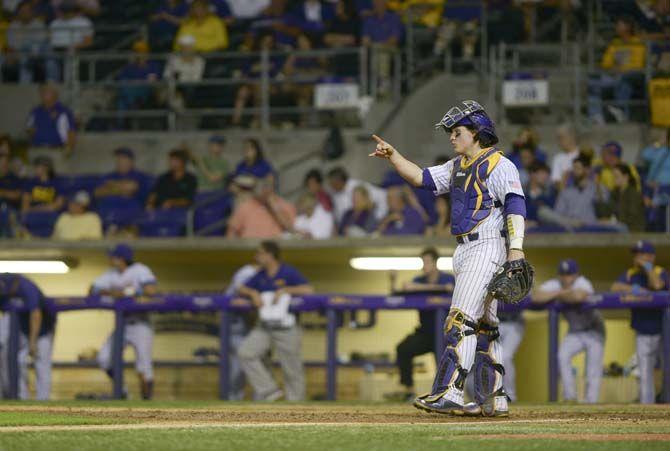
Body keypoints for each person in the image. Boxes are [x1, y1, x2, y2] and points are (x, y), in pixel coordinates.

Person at [369, 100, 528, 417]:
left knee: (460, 320)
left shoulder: (500, 164)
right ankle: (493, 397)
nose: (452, 138)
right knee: (485, 326)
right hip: (465, 249)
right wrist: (394, 156)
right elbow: (422, 178)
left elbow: (516, 206)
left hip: (487, 246)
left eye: (457, 132)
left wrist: (517, 249)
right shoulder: (457, 166)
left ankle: (451, 391)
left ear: (476, 132)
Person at [237, 240, 314, 401]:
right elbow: (241, 288)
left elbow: (308, 289)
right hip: (264, 327)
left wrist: (286, 290)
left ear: (270, 255)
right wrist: (253, 293)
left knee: (291, 367)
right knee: (245, 353)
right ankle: (268, 390)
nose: (256, 256)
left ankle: (296, 404)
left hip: (287, 327)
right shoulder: (260, 274)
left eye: (260, 253)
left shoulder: (288, 271)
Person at [91, 244, 158, 400]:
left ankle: (147, 403)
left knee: (144, 367)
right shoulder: (111, 274)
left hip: (141, 323)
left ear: (121, 259)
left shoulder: (140, 270)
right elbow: (92, 288)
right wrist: (114, 292)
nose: (110, 259)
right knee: (104, 358)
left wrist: (127, 292)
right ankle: (122, 391)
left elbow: (151, 290)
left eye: (113, 256)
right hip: (123, 323)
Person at [533, 259, 604, 404]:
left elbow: (578, 296)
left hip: (594, 329)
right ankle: (570, 397)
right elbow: (536, 297)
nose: (566, 278)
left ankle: (591, 402)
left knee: (592, 368)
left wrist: (556, 295)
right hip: (575, 331)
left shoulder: (583, 282)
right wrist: (562, 292)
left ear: (576, 274)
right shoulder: (556, 285)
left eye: (570, 275)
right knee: (562, 356)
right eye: (563, 275)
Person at [391, 247, 454, 401]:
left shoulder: (447, 278)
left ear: (435, 263)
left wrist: (421, 289)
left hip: (445, 333)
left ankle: (447, 395)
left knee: (446, 363)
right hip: (425, 332)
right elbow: (402, 291)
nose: (424, 265)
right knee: (403, 349)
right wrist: (392, 282)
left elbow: (450, 289)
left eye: (427, 262)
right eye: (423, 262)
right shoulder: (419, 280)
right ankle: (409, 389)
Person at [611, 240, 670, 404]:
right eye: (636, 254)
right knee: (644, 374)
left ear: (651, 256)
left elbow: (657, 285)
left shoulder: (660, 271)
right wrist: (636, 290)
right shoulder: (631, 274)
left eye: (641, 254)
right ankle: (647, 410)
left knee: (667, 371)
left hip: (663, 331)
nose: (637, 258)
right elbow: (615, 287)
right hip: (642, 330)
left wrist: (648, 267)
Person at [0, 274, 56, 400]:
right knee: (18, 361)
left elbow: (36, 315)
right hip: (22, 329)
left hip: (43, 329)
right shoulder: (3, 285)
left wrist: (33, 341)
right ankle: (22, 398)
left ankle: (43, 400)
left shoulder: (27, 286)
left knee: (42, 363)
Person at [588, 16, 646, 124]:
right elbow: (605, 63)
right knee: (592, 83)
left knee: (626, 80)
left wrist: (619, 68)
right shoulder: (615, 43)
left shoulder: (638, 43)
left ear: (628, 27)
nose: (616, 27)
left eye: (619, 25)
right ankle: (596, 115)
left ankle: (621, 110)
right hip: (613, 75)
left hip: (630, 76)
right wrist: (613, 68)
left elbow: (637, 65)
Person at [224, 262, 259, 401]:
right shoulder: (247, 272)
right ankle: (233, 399)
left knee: (254, 362)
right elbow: (240, 289)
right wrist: (253, 294)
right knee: (237, 366)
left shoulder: (267, 276)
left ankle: (260, 400)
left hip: (251, 326)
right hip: (235, 325)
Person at [226, 175, 295, 238]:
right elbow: (232, 231)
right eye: (259, 185)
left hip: (272, 248)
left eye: (266, 185)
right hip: (248, 248)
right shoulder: (244, 206)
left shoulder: (286, 205)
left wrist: (273, 205)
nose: (262, 188)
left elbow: (291, 229)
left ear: (273, 186)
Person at [26, 83, 76, 158]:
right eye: (41, 92)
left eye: (46, 92)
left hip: (56, 150)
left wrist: (68, 149)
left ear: (55, 94)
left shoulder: (64, 111)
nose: (42, 94)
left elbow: (71, 132)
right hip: (37, 149)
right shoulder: (35, 111)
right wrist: (31, 131)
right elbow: (29, 129)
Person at [609, 163, 646, 232]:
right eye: (613, 176)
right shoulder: (615, 193)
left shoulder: (634, 194)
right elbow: (610, 210)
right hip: (619, 226)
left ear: (626, 177)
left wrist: (615, 222)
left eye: (616, 176)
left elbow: (632, 216)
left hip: (633, 229)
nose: (614, 179)